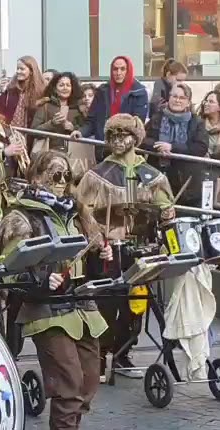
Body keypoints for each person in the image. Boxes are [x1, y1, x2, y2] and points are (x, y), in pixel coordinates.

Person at [0, 150, 105, 430]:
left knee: (89, 379)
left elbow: (90, 265)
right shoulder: (22, 217)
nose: (61, 183)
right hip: (45, 308)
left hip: (81, 304)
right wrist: (42, 278)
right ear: (36, 176)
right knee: (68, 381)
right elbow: (9, 268)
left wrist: (102, 255)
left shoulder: (77, 213)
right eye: (54, 175)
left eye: (65, 176)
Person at [75, 114, 175, 380]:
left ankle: (123, 353)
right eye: (113, 136)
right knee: (106, 304)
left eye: (123, 135)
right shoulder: (97, 175)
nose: (118, 141)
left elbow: (164, 208)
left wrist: (167, 214)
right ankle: (99, 357)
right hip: (107, 249)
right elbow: (83, 213)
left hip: (139, 249)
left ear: (135, 138)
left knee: (136, 304)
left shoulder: (152, 175)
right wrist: (98, 242)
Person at [144, 82, 206, 206]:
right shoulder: (156, 118)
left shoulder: (196, 122)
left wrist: (172, 147)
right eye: (174, 96)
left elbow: (201, 147)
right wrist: (158, 146)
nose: (177, 100)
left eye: (182, 98)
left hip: (185, 180)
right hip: (159, 174)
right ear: (169, 98)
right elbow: (144, 140)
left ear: (188, 102)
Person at [83, 55, 149, 141]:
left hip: (125, 145)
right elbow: (91, 120)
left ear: (128, 71)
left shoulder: (139, 92)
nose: (118, 73)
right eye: (115, 69)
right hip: (102, 144)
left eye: (122, 69)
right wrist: (80, 132)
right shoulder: (102, 91)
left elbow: (137, 123)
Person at [29, 71, 84, 154]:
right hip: (49, 153)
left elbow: (85, 130)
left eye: (68, 85)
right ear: (55, 89)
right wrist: (51, 124)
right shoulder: (45, 106)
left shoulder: (77, 109)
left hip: (73, 154)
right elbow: (33, 132)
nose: (65, 88)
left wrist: (73, 128)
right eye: (61, 85)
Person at [0, 55, 42, 128]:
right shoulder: (11, 88)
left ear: (31, 71)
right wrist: (0, 91)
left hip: (30, 131)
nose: (18, 71)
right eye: (17, 68)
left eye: (22, 69)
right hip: (10, 130)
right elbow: (1, 111)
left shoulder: (39, 90)